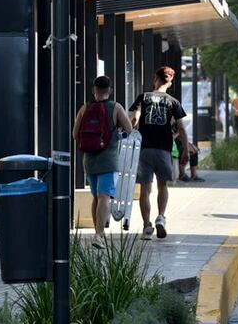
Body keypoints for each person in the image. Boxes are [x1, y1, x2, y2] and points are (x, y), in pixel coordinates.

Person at [129, 66, 196, 240]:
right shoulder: (173, 102)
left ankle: (146, 226)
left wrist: (128, 133)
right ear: (170, 82)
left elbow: (134, 119)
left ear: (155, 79)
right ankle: (161, 217)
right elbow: (181, 128)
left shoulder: (143, 97)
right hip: (164, 149)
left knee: (145, 188)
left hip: (144, 149)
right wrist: (186, 151)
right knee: (162, 185)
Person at [73, 75, 133, 247]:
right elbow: (129, 129)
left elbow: (74, 134)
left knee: (96, 197)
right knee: (104, 197)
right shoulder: (116, 107)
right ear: (110, 91)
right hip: (109, 159)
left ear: (94, 90)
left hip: (89, 161)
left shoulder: (85, 108)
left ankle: (97, 232)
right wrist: (116, 136)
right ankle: (99, 235)